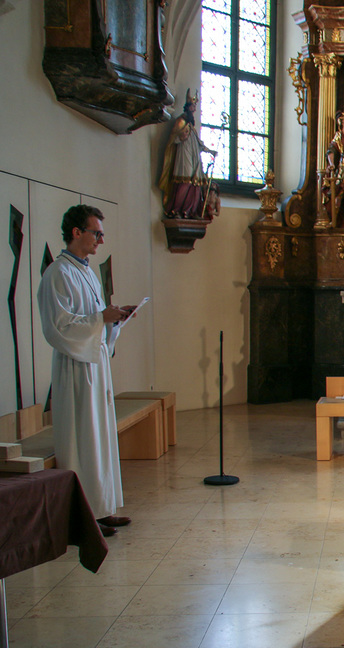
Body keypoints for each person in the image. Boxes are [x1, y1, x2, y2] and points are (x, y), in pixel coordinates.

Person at [37, 205, 137, 538]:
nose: (101, 240)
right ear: (76, 232)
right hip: (75, 369)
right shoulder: (58, 274)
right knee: (82, 440)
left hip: (95, 365)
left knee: (100, 438)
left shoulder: (86, 272)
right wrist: (100, 319)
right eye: (97, 233)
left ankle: (102, 508)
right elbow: (58, 327)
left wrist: (115, 319)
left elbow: (94, 319)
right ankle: (83, 519)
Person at [158, 90, 217, 219]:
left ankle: (190, 211)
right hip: (184, 156)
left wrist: (211, 151)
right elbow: (173, 139)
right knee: (184, 181)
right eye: (192, 106)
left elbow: (199, 144)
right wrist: (181, 137)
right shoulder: (180, 121)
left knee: (196, 183)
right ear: (187, 107)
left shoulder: (192, 126)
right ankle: (176, 210)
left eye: (195, 106)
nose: (194, 109)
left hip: (194, 157)